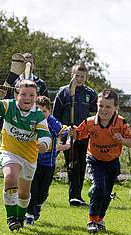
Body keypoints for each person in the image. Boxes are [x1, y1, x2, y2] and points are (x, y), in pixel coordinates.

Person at [68, 89, 131, 233]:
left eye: (108, 107)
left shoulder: (121, 123)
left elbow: (130, 141)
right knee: (99, 188)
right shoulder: (90, 122)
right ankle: (92, 220)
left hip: (112, 162)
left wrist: (123, 140)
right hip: (94, 160)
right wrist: (73, 132)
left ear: (116, 108)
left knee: (107, 193)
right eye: (101, 106)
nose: (104, 110)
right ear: (96, 105)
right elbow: (78, 134)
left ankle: (100, 220)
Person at [0, 80, 51, 231]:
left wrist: (44, 144)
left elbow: (46, 135)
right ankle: (11, 218)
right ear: (16, 94)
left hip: (29, 158)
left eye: (32, 95)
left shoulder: (38, 115)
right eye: (23, 94)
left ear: (36, 97)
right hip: (9, 152)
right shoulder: (8, 106)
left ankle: (20, 217)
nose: (27, 97)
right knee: (10, 178)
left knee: (24, 194)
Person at [53, 63, 98, 206]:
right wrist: (60, 134)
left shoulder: (89, 93)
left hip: (84, 134)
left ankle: (77, 196)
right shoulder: (63, 92)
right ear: (71, 75)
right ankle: (74, 197)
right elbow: (56, 115)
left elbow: (98, 110)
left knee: (82, 165)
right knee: (73, 164)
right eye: (76, 75)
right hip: (68, 134)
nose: (79, 79)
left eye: (82, 76)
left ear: (86, 77)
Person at [25, 96, 70, 225]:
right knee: (32, 190)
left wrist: (66, 143)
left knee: (42, 193)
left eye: (44, 111)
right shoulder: (31, 120)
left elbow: (65, 132)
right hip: (32, 161)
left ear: (49, 111)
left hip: (48, 164)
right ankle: (29, 215)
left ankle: (38, 206)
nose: (41, 114)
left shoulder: (51, 122)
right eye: (38, 110)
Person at [0, 52, 49, 128]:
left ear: (34, 65)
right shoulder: (13, 81)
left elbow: (45, 103)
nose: (28, 65)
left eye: (30, 63)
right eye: (25, 63)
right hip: (13, 119)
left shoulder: (40, 83)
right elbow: (5, 99)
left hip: (33, 121)